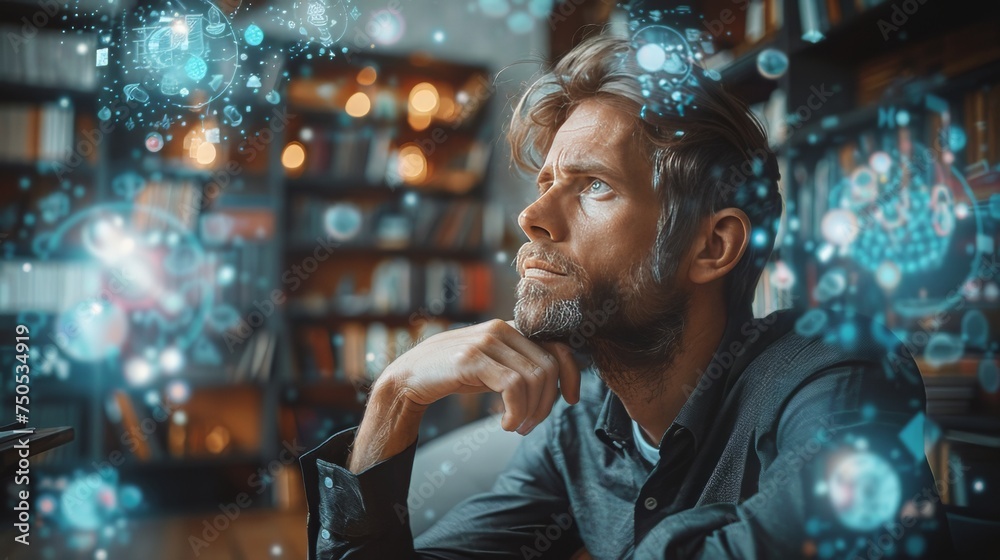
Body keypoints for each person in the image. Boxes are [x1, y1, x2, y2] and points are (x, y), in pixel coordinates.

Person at [299, 33, 952, 559]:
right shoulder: (582, 437)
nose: (534, 217)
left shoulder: (839, 375)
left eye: (594, 187)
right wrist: (394, 396)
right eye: (546, 182)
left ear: (711, 248)